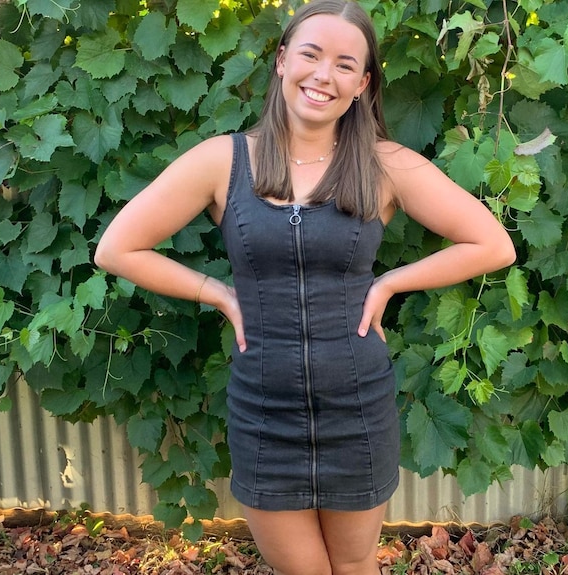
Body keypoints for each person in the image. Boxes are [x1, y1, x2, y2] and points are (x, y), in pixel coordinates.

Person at [95, 0, 516, 573]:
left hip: (358, 408)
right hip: (264, 413)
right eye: (311, 54)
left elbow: (493, 244)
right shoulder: (223, 161)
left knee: (355, 565)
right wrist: (216, 293)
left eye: (345, 64)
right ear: (281, 59)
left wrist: (391, 282)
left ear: (363, 84)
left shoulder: (384, 164)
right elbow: (117, 248)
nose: (324, 75)